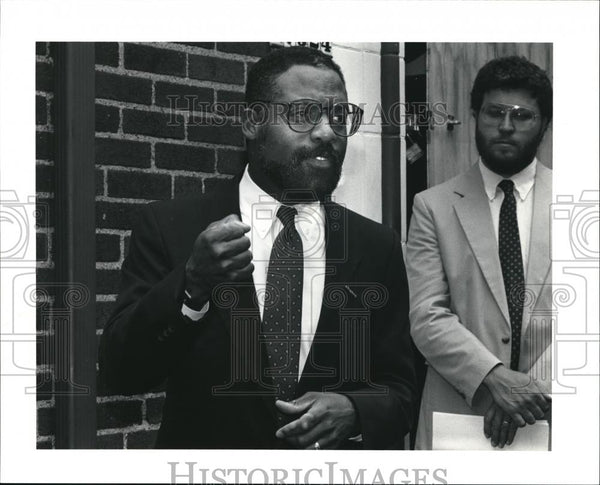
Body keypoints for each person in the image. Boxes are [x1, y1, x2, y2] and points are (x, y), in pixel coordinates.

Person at [100, 46, 416, 449]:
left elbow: (402, 391)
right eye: (303, 113)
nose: (326, 132)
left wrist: (356, 410)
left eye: (339, 116)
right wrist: (191, 285)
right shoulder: (172, 228)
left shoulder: (376, 246)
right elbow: (121, 372)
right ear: (251, 122)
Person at [407, 56, 553, 450]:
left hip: (553, 414)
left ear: (544, 125)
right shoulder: (432, 206)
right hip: (458, 419)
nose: (506, 126)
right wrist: (494, 377)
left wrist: (527, 391)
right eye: (494, 113)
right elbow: (426, 316)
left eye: (522, 116)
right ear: (475, 116)